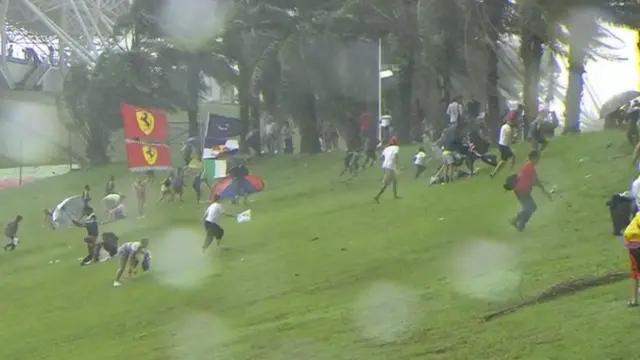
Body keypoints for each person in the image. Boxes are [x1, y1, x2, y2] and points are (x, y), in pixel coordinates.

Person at [509, 150, 552, 232]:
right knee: (530, 207)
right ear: (533, 158)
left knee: (530, 207)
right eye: (537, 158)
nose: (538, 160)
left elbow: (535, 180)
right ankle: (516, 221)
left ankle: (520, 225)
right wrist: (545, 191)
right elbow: (535, 181)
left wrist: (543, 187)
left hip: (522, 190)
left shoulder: (530, 166)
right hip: (521, 190)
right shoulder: (529, 166)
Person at [374, 136, 400, 203]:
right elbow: (396, 155)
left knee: (394, 180)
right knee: (386, 183)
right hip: (390, 166)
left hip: (386, 166)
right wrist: (396, 165)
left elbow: (381, 157)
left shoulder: (386, 148)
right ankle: (377, 196)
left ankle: (395, 196)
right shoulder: (396, 148)